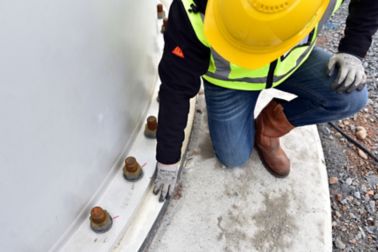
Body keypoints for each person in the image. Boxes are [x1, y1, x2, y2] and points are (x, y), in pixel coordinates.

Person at [152, 0, 378, 202]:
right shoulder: (193, 7)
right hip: (229, 81)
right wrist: (168, 159)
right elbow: (176, 88)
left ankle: (268, 128)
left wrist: (353, 51)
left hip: (291, 63)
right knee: (233, 157)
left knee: (350, 96)